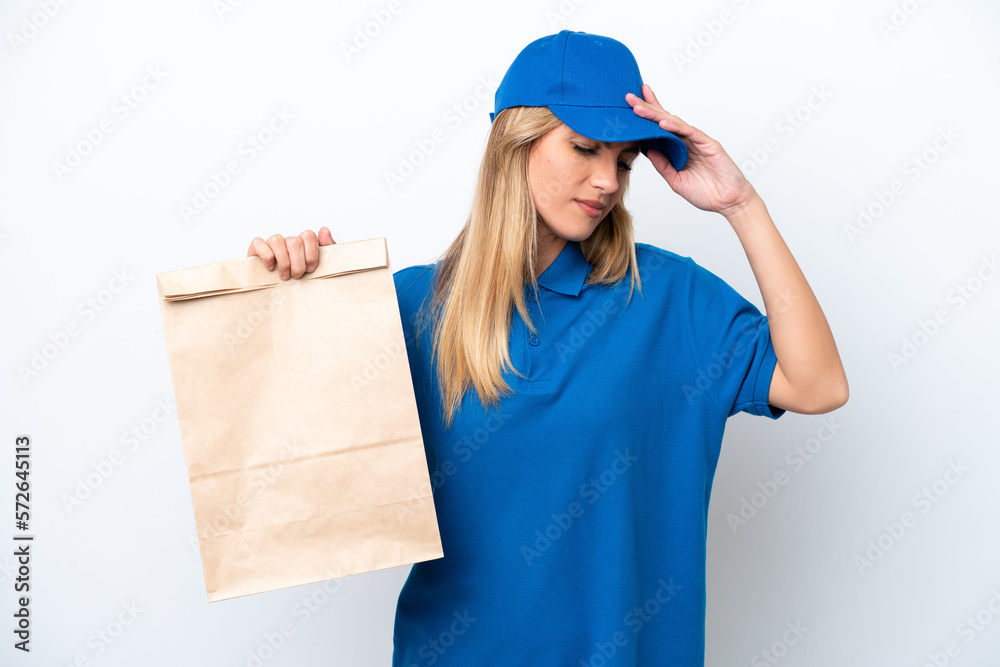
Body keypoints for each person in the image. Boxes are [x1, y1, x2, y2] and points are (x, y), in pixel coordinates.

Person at [247, 29, 847, 667]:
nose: (607, 181)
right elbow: (288, 482)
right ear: (516, 144)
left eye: (625, 161)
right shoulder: (412, 305)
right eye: (585, 148)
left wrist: (741, 204)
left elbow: (818, 385)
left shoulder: (670, 297)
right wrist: (289, 304)